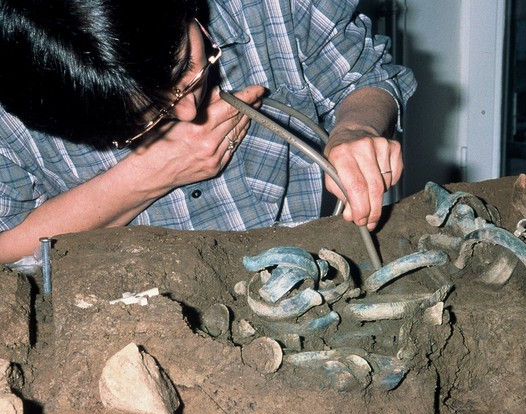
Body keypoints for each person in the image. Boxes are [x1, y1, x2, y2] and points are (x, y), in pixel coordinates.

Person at [0, 0, 416, 265]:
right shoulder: (15, 109)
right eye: (146, 115)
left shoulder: (269, 7)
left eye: (186, 68)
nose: (188, 109)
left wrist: (356, 128)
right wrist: (151, 175)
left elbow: (366, 75)